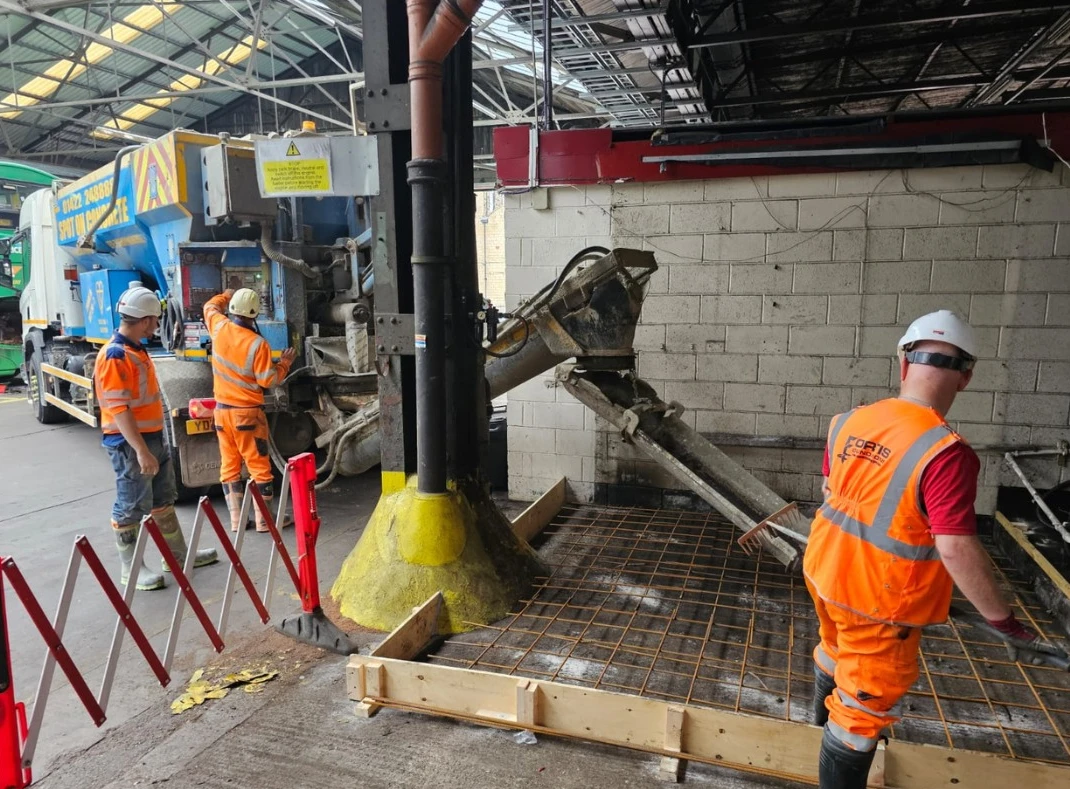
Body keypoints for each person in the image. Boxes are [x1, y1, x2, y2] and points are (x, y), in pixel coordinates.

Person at [803, 310, 1066, 789]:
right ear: (965, 378)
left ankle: (813, 731)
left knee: (835, 650)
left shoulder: (849, 420)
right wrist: (1005, 622)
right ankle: (838, 739)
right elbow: (955, 546)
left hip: (823, 570)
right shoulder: (946, 453)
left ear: (903, 364)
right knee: (862, 710)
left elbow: (829, 491)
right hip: (878, 602)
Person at [95, 285, 218, 591]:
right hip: (130, 444)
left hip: (151, 438)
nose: (156, 325)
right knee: (131, 506)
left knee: (163, 499)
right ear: (144, 319)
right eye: (154, 319)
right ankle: (132, 571)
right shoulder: (115, 355)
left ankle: (177, 557)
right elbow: (119, 408)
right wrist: (140, 451)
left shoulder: (135, 349)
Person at [203, 287, 296, 532]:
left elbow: (209, 308)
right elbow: (268, 380)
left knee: (230, 465)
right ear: (254, 315)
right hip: (247, 414)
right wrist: (284, 364)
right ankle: (264, 519)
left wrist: (224, 294)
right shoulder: (258, 344)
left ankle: (237, 520)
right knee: (258, 466)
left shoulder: (219, 327)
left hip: (222, 413)